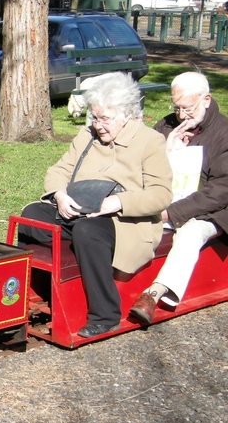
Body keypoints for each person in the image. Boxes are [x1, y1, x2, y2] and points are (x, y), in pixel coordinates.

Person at [17, 72, 172, 338]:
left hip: (124, 222)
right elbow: (58, 170)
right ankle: (33, 295)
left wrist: (117, 202)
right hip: (79, 210)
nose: (99, 125)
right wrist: (59, 195)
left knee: (88, 232)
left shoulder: (150, 141)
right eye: (95, 117)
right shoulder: (87, 136)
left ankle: (105, 314)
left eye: (105, 119)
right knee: (31, 216)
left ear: (126, 114)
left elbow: (161, 195)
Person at [129, 72, 228, 324]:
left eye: (188, 108)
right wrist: (166, 151)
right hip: (165, 200)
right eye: (177, 108)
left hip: (211, 210)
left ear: (206, 99)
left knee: (191, 232)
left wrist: (170, 213)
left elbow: (219, 192)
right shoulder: (166, 125)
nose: (182, 115)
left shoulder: (223, 133)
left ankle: (154, 293)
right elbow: (137, 167)